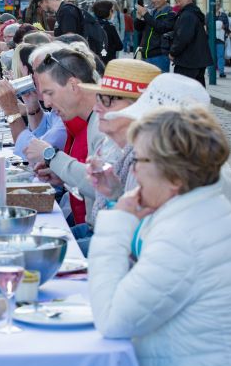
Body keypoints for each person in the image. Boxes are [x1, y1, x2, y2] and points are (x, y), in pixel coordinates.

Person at [88, 106, 231, 366]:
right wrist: (118, 197)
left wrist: (116, 225)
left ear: (175, 178)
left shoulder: (182, 236)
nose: (134, 169)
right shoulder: (207, 210)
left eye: (140, 161)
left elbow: (112, 320)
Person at [91, 72, 231, 229]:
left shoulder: (177, 171)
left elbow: (138, 241)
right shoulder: (192, 163)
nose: (135, 169)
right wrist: (115, 193)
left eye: (107, 100)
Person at [60, 59, 163, 256]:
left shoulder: (149, 158)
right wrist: (112, 192)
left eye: (108, 100)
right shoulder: (119, 147)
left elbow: (137, 241)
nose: (97, 108)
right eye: (98, 98)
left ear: (139, 108)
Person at [28, 46, 117, 226]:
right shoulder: (93, 119)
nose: (46, 103)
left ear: (73, 85)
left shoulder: (105, 124)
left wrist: (51, 155)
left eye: (50, 93)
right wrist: (64, 179)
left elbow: (105, 188)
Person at [169, 0, 212, 86]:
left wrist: (173, 52)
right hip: (196, 60)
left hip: (187, 62)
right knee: (197, 92)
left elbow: (183, 38)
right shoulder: (193, 12)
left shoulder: (187, 15)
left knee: (184, 93)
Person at [135, 0, 176, 73]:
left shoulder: (170, 13)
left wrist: (146, 15)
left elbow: (161, 28)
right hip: (145, 54)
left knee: (159, 84)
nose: (154, 0)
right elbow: (138, 28)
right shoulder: (152, 12)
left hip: (159, 55)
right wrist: (139, 18)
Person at [215, 5, 230, 78]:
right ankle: (211, 71)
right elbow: (206, 24)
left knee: (220, 55)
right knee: (211, 55)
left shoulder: (223, 15)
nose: (216, 6)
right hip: (212, 38)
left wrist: (224, 26)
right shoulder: (209, 14)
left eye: (217, 5)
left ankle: (221, 71)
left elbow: (227, 25)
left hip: (221, 38)